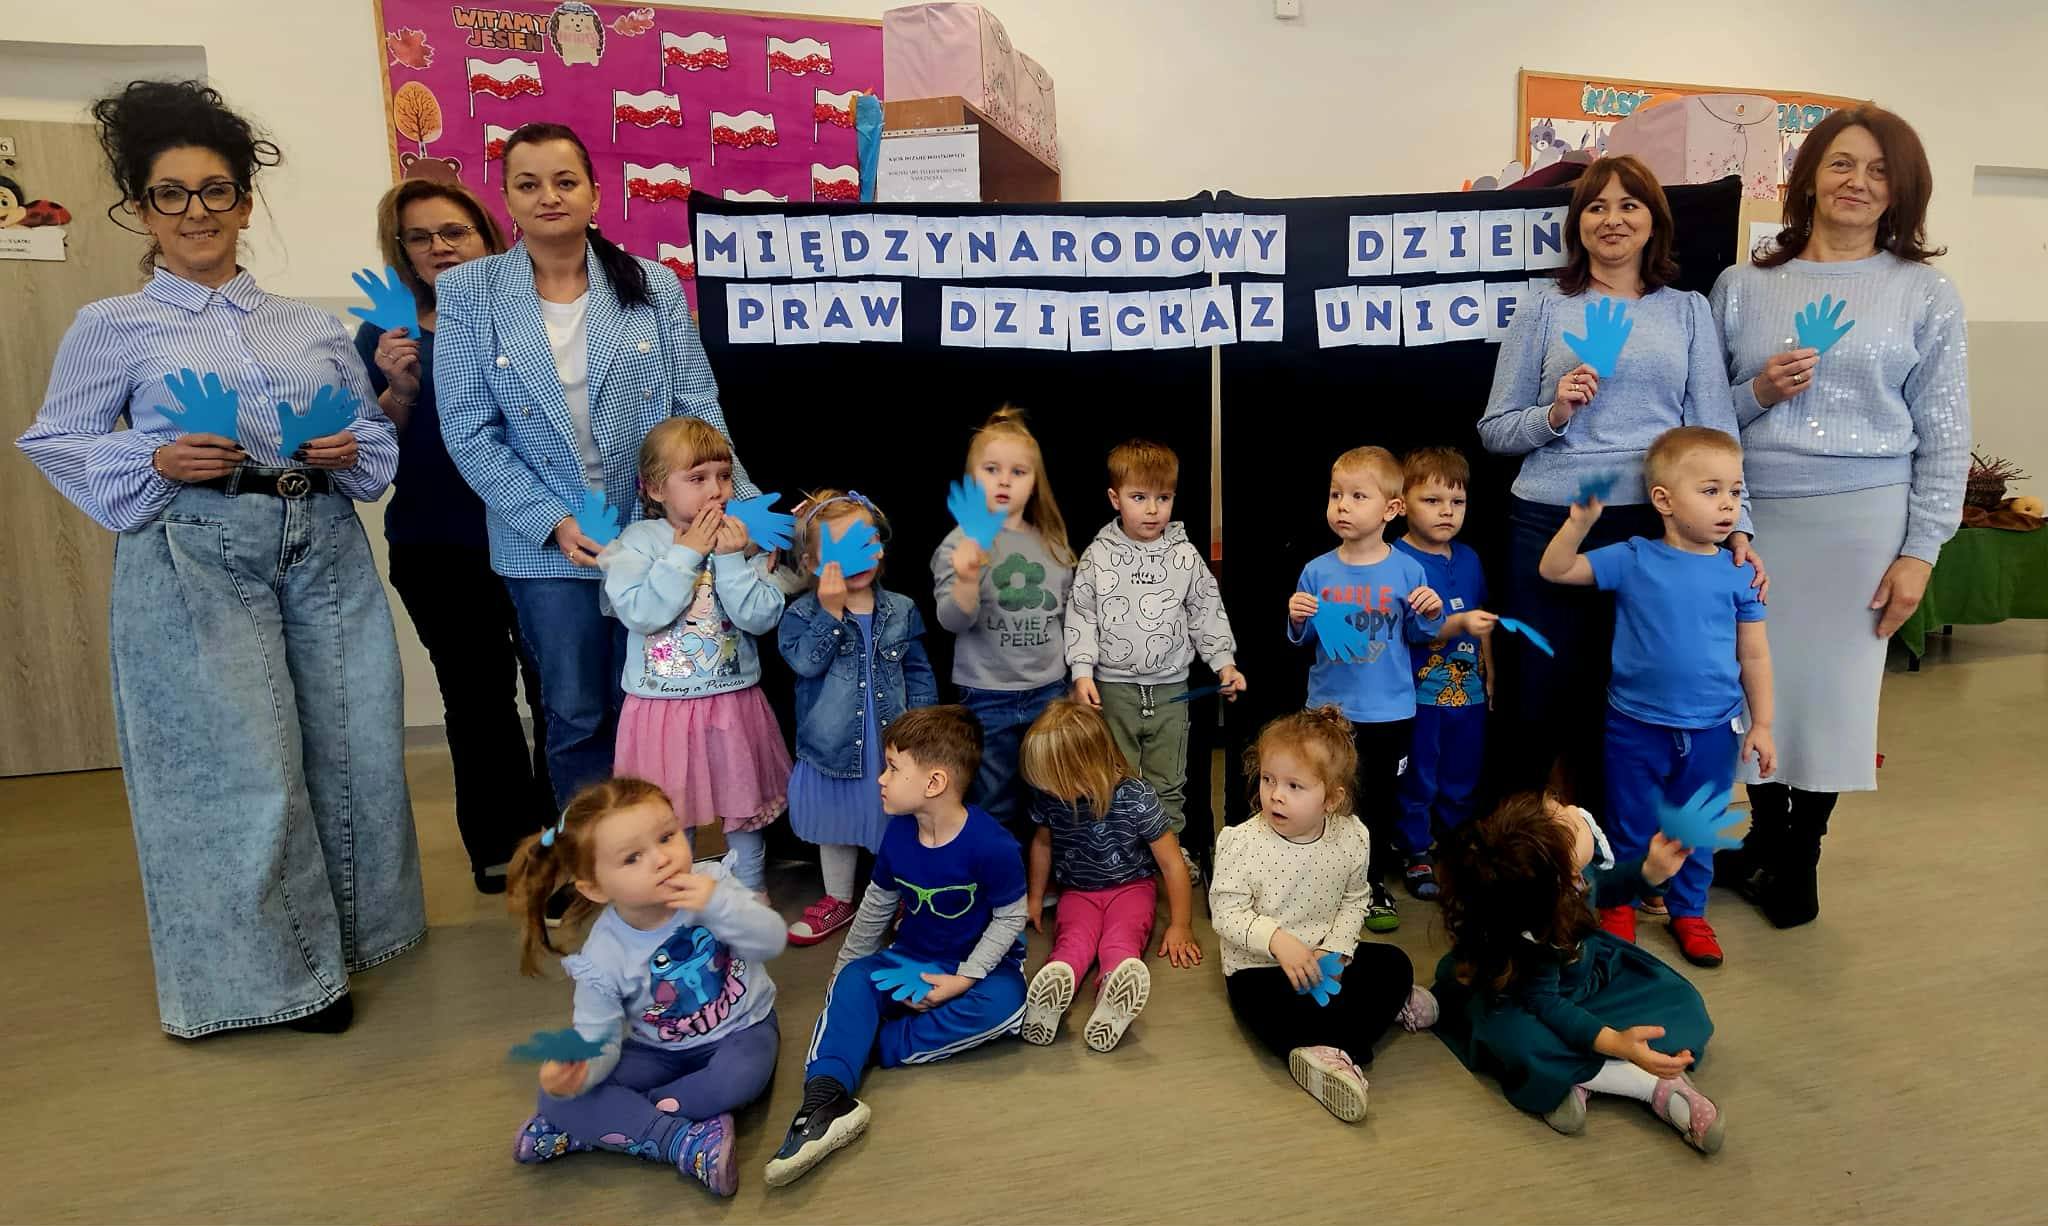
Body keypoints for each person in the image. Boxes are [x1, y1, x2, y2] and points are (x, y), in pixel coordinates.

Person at [16, 79, 424, 1037]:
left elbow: (372, 442)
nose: (194, 211)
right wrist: (151, 458)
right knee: (243, 767)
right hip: (198, 551)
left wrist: (349, 445)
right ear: (142, 209)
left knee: (354, 748)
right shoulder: (110, 326)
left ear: (244, 202)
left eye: (215, 190)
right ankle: (277, 981)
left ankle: (355, 937)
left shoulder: (310, 328)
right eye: (171, 194)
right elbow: (55, 440)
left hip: (321, 545)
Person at [435, 122, 757, 809]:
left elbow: (697, 403)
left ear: (595, 193)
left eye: (565, 181)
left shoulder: (651, 284)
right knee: (576, 710)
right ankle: (592, 857)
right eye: (528, 184)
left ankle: (656, 849)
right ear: (507, 200)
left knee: (653, 700)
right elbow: (469, 430)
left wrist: (741, 506)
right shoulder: (469, 292)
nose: (548, 196)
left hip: (657, 532)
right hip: (548, 544)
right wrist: (551, 520)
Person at [1708, 104, 1969, 929]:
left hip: (1864, 522)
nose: (1859, 182)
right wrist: (1760, 393)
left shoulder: (1923, 292)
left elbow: (1946, 433)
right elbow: (1703, 421)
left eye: (1880, 171)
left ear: (1902, 191)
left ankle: (1799, 860)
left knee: (1832, 696)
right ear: (1810, 178)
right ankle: (1763, 839)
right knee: (1753, 685)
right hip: (1750, 517)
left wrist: (1921, 550)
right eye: (1842, 164)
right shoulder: (1744, 286)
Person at [1478, 154, 1759, 809]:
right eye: (1596, 207)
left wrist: (1739, 525)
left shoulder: (1687, 311)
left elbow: (1715, 432)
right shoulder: (1543, 309)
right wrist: (1554, 413)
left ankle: (1615, 850)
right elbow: (1495, 430)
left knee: (1630, 700)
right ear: (1578, 224)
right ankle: (1518, 849)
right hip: (1550, 521)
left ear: (1653, 221)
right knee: (1539, 698)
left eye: (1629, 205)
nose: (1612, 219)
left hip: (1656, 529)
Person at [356, 177, 551, 894]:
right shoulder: (388, 332)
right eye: (420, 237)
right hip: (436, 542)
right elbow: (366, 450)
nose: (439, 247)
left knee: (558, 691)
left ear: (486, 235)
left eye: (454, 231)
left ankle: (562, 837)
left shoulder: (534, 311)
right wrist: (398, 389)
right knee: (476, 697)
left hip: (537, 534)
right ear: (402, 251)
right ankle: (501, 845)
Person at [1538, 426, 1774, 967]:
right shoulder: (1634, 557)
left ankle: (1689, 911)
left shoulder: (1739, 574)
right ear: (1664, 500)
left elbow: (1756, 655)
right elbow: (1555, 569)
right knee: (1631, 822)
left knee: (1697, 827)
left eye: (1735, 492)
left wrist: (1762, 723)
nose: (1728, 505)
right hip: (1635, 724)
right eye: (1711, 491)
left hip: (1713, 729)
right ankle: (1619, 904)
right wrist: (1577, 526)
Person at [765, 706, 1028, 1188]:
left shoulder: (994, 845)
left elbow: (1011, 917)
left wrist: (963, 979)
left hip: (975, 969)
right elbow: (876, 906)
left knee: (1008, 1004)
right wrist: (844, 973)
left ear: (934, 782)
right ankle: (824, 1102)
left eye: (892, 768)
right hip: (907, 958)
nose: (881, 779)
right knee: (853, 980)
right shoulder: (899, 834)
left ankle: (868, 1045)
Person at [506, 777, 785, 1197]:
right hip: (657, 1051)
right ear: (594, 887)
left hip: (743, 1030)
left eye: (667, 836)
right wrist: (578, 1070)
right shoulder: (603, 954)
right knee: (555, 1098)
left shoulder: (713, 884)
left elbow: (771, 940)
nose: (661, 859)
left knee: (740, 1078)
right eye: (632, 857)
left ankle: (612, 1126)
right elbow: (598, 1038)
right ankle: (683, 1141)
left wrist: (719, 905)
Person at [1432, 793, 1723, 1153]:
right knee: (1519, 1040)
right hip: (1532, 1000)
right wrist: (1615, 1043)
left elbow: (1606, 886)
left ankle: (1577, 1077)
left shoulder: (1561, 876)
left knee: (1685, 1004)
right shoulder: (1538, 924)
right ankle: (1646, 1085)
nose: (1573, 810)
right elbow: (1547, 1003)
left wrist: (1651, 872)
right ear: (1563, 873)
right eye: (1566, 818)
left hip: (1590, 978)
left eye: (1558, 806)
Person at [1210, 707, 1438, 1124]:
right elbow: (1226, 913)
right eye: (1268, 779)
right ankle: (1333, 1049)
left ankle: (1329, 1046)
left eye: (1294, 786)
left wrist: (1338, 949)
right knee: (1269, 1011)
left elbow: (1355, 899)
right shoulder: (1241, 843)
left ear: (1331, 798)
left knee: (1394, 963)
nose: (1275, 795)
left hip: (1325, 962)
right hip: (1260, 970)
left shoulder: (1352, 837)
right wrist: (1278, 941)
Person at [599, 418, 788, 893]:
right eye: (697, 478)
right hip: (660, 711)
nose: (716, 490)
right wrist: (687, 555)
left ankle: (749, 898)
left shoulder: (741, 538)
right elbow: (641, 613)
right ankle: (673, 899)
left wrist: (729, 558)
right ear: (655, 488)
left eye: (723, 476)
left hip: (731, 703)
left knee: (743, 811)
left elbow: (760, 618)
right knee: (666, 815)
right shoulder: (637, 542)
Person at [1065, 437, 1243, 882]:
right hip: (1113, 689)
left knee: (1168, 779)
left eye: (1163, 498)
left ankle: (1171, 849)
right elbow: (1081, 615)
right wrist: (1082, 672)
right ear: (1115, 499)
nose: (1152, 510)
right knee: (1114, 775)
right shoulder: (1097, 556)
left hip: (1171, 690)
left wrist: (1224, 663)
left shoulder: (1184, 556)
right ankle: (1120, 854)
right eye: (1139, 497)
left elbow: (1206, 611)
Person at [1286, 445, 1445, 932]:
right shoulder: (1316, 570)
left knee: (1376, 803)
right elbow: (1304, 639)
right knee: (1322, 796)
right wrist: (1297, 619)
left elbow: (1419, 635)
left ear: (1391, 509)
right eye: (1336, 495)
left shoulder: (1408, 570)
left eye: (1358, 496)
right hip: (1328, 712)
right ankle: (1319, 881)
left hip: (1389, 712)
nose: (1343, 506)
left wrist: (1431, 614)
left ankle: (1370, 883)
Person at [778, 490, 937, 945]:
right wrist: (830, 614)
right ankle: (839, 898)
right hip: (833, 748)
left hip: (892, 746)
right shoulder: (802, 613)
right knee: (836, 823)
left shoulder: (901, 609)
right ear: (812, 563)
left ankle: (904, 897)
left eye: (865, 543)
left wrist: (924, 729)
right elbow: (804, 663)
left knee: (899, 822)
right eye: (841, 549)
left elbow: (918, 671)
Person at [1017, 699, 1201, 1052]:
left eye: (1053, 781)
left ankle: (1112, 994)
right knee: (1072, 942)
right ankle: (1052, 992)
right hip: (1077, 891)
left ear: (1086, 766)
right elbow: (1042, 844)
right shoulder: (1053, 798)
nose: (1047, 789)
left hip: (1132, 888)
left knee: (1120, 940)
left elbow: (1172, 863)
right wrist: (1035, 897)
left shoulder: (1137, 796)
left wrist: (1181, 925)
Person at [931, 406, 1075, 845]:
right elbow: (951, 621)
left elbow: (1070, 620)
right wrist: (966, 579)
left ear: (1034, 482)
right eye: (991, 469)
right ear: (972, 478)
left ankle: (1046, 873)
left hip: (1048, 691)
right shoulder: (959, 544)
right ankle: (1000, 874)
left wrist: (1075, 684)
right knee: (994, 799)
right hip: (986, 695)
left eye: (1018, 471)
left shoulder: (1051, 543)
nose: (1004, 481)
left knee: (1053, 795)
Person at [1391, 447, 1499, 900]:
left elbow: (1482, 619)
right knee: (1419, 775)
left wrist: (1490, 672)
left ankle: (1455, 847)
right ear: (1402, 504)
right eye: (1432, 500)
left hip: (1468, 693)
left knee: (1462, 773)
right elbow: (1403, 631)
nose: (1447, 512)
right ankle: (1416, 850)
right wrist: (1457, 624)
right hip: (1418, 696)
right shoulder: (1396, 560)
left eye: (1457, 502)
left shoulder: (1469, 558)